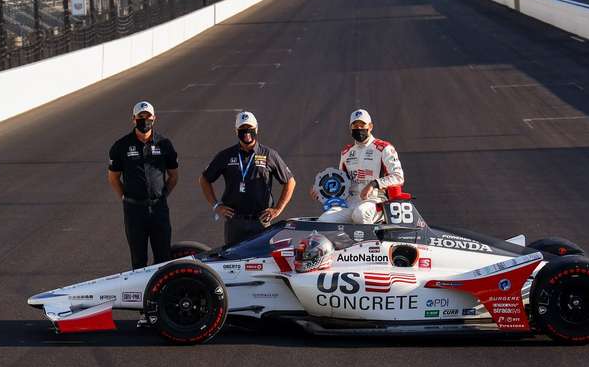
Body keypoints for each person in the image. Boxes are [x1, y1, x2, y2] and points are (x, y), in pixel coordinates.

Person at [200, 111, 296, 245]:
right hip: (234, 222)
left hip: (260, 222)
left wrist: (277, 209)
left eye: (250, 128)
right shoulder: (226, 155)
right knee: (232, 262)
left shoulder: (269, 154)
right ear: (236, 131)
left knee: (261, 261)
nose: (247, 133)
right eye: (242, 129)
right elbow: (204, 179)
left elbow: (290, 181)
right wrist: (216, 205)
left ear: (256, 128)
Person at [108, 101, 179, 269]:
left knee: (163, 258)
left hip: (158, 209)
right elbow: (113, 178)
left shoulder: (164, 144)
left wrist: (162, 195)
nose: (144, 120)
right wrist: (125, 198)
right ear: (133, 119)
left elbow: (174, 175)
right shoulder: (121, 146)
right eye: (141, 117)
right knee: (138, 260)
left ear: (154, 118)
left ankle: (162, 295)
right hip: (134, 211)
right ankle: (142, 295)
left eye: (148, 116)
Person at [314, 109, 404, 224]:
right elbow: (341, 183)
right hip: (350, 202)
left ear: (370, 126)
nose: (359, 129)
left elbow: (398, 177)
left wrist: (373, 184)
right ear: (350, 128)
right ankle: (344, 242)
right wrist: (321, 190)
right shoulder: (346, 152)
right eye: (355, 126)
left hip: (375, 200)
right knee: (324, 220)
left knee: (360, 214)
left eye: (362, 125)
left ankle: (377, 233)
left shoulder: (384, 148)